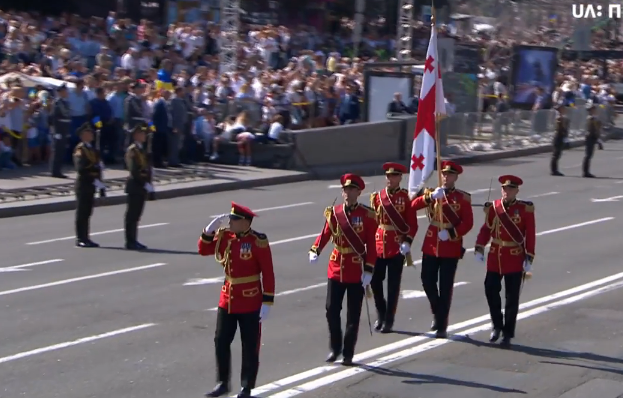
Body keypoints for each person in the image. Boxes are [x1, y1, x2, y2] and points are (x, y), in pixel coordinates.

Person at [198, 202, 275, 398]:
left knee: (249, 344)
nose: (230, 222)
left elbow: (268, 272)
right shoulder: (226, 237)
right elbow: (203, 250)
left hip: (250, 299)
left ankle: (246, 386)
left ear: (245, 222)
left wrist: (267, 301)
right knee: (221, 340)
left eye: (234, 219)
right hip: (228, 298)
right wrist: (209, 231)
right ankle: (223, 382)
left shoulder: (258, 241)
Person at [309, 173, 378, 365]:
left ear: (358, 192)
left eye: (351, 190)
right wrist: (315, 250)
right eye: (345, 189)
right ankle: (335, 347)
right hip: (336, 267)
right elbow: (325, 234)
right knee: (331, 309)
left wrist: (369, 269)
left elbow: (371, 245)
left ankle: (348, 353)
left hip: (356, 268)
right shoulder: (334, 212)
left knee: (353, 314)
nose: (347, 193)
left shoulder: (367, 214)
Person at [411, 160, 474, 338]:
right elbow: (412, 207)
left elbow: (468, 223)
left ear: (456, 177)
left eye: (450, 175)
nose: (446, 177)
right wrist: (429, 198)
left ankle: (442, 323)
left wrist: (452, 233)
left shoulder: (462, 198)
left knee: (445, 286)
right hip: (431, 243)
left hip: (450, 245)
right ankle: (437, 311)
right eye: (444, 174)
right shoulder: (432, 192)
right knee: (427, 280)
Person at [474, 175, 535, 348]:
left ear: (516, 191)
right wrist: (479, 246)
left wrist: (529, 256)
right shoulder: (495, 207)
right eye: (504, 188)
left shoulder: (525, 209)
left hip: (514, 256)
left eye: (510, 189)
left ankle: (508, 332)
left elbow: (530, 233)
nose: (506, 192)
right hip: (495, 255)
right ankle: (496, 325)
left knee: (511, 297)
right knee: (490, 289)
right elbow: (486, 229)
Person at [369, 162, 418, 333]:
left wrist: (407, 241)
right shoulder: (377, 197)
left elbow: (412, 223)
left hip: (396, 245)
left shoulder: (406, 197)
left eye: (394, 176)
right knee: (375, 281)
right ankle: (381, 313)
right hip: (379, 244)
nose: (390, 179)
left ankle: (389, 319)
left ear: (400, 178)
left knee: (393, 285)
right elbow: (374, 222)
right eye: (388, 176)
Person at [73, 123, 106, 248]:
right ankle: (80, 238)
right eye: (89, 133)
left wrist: (101, 186)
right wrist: (93, 167)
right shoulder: (80, 149)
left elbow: (99, 170)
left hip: (91, 184)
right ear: (83, 135)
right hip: (83, 184)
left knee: (87, 212)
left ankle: (86, 237)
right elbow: (80, 168)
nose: (91, 135)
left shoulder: (93, 150)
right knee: (82, 212)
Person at [124, 124, 154, 250]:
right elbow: (134, 169)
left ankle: (134, 239)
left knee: (137, 215)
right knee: (132, 215)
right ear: (136, 135)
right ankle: (130, 241)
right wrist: (144, 182)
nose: (144, 136)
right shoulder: (133, 150)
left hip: (141, 186)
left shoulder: (142, 149)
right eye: (142, 134)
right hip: (135, 185)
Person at [50, 84, 71, 178]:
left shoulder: (65, 102)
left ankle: (58, 170)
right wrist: (56, 132)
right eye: (65, 91)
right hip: (59, 130)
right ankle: (55, 171)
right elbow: (53, 118)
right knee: (57, 151)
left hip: (64, 129)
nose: (66, 93)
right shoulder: (57, 103)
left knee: (61, 151)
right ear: (60, 92)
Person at [583, 101, 600, 178]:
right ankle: (585, 172)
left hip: (592, 136)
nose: (594, 110)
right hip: (590, 137)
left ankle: (586, 171)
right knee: (588, 155)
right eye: (593, 109)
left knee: (589, 155)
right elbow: (592, 129)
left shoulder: (593, 118)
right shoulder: (591, 118)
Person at [551, 104, 568, 176]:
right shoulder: (559, 118)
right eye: (562, 108)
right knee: (556, 154)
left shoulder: (562, 118)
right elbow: (559, 128)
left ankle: (555, 169)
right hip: (558, 136)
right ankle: (554, 170)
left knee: (558, 154)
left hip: (561, 136)